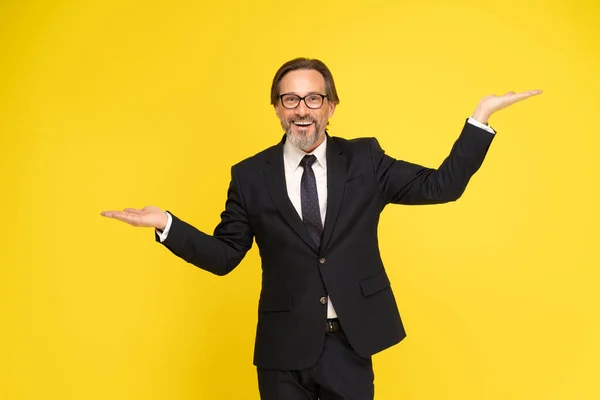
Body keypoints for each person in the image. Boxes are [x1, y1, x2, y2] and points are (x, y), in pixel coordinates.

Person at [101, 58, 542, 400]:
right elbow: (224, 256)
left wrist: (480, 118)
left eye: (314, 98)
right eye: (290, 99)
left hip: (350, 342)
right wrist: (167, 225)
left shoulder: (366, 161)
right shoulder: (250, 175)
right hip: (282, 350)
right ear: (276, 108)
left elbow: (441, 186)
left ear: (331, 106)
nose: (302, 109)